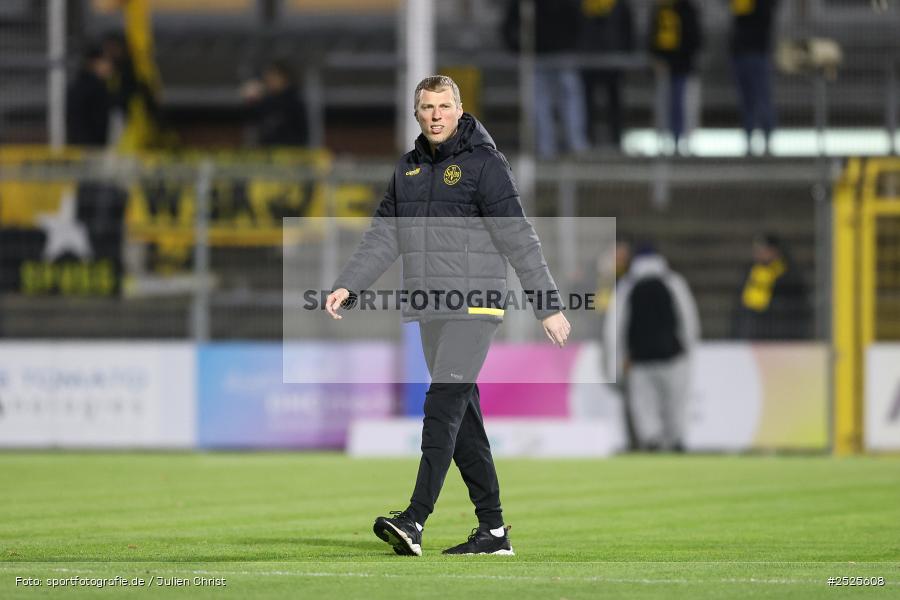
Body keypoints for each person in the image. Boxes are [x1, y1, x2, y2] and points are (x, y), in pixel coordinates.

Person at [325, 75, 571, 556]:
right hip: (430, 310)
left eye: (443, 106)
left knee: (442, 407)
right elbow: (383, 237)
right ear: (416, 114)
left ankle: (415, 519)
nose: (435, 114)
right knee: (463, 422)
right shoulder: (408, 170)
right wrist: (347, 284)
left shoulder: (485, 165)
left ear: (459, 111)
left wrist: (549, 305)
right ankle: (494, 532)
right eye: (426, 107)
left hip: (475, 306)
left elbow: (518, 236)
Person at [604, 243, 699, 451]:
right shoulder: (673, 282)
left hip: (639, 360)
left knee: (645, 408)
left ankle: (652, 441)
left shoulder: (628, 285)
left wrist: (619, 359)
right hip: (673, 357)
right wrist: (688, 349)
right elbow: (688, 319)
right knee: (675, 405)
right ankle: (676, 442)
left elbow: (615, 327)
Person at [503, 0, 590, 159]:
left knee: (566, 101)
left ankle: (573, 146)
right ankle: (548, 148)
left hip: (562, 54)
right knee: (541, 103)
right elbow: (510, 24)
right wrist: (518, 47)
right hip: (539, 56)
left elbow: (579, 20)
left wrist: (575, 45)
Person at [577, 0, 635, 149]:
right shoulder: (584, 4)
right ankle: (589, 138)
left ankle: (616, 140)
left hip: (613, 60)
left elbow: (628, 29)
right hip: (589, 59)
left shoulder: (619, 4)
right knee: (588, 103)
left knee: (614, 102)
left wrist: (627, 56)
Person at [649, 0, 702, 154]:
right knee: (664, 104)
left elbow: (695, 38)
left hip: (682, 67)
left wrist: (685, 60)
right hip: (664, 68)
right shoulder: (660, 8)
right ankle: (664, 140)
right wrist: (657, 58)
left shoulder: (687, 9)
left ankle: (682, 139)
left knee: (681, 104)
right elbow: (652, 37)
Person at [732, 233, 809, 339]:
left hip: (782, 336)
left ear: (775, 251)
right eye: (757, 250)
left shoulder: (788, 274)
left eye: (764, 250)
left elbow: (795, 307)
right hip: (753, 334)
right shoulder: (751, 272)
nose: (759, 254)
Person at [730, 0, 778, 155]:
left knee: (761, 98)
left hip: (757, 53)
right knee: (747, 100)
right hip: (741, 53)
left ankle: (767, 138)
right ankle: (749, 138)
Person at [240, 60, 309, 147]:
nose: (269, 81)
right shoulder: (266, 101)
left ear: (284, 77)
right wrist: (250, 101)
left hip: (290, 153)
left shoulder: (294, 102)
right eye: (268, 77)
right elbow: (250, 118)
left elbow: (301, 134)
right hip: (269, 153)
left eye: (273, 76)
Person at [66, 45, 113, 146]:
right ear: (93, 63)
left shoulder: (89, 85)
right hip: (88, 147)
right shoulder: (89, 87)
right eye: (105, 61)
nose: (109, 66)